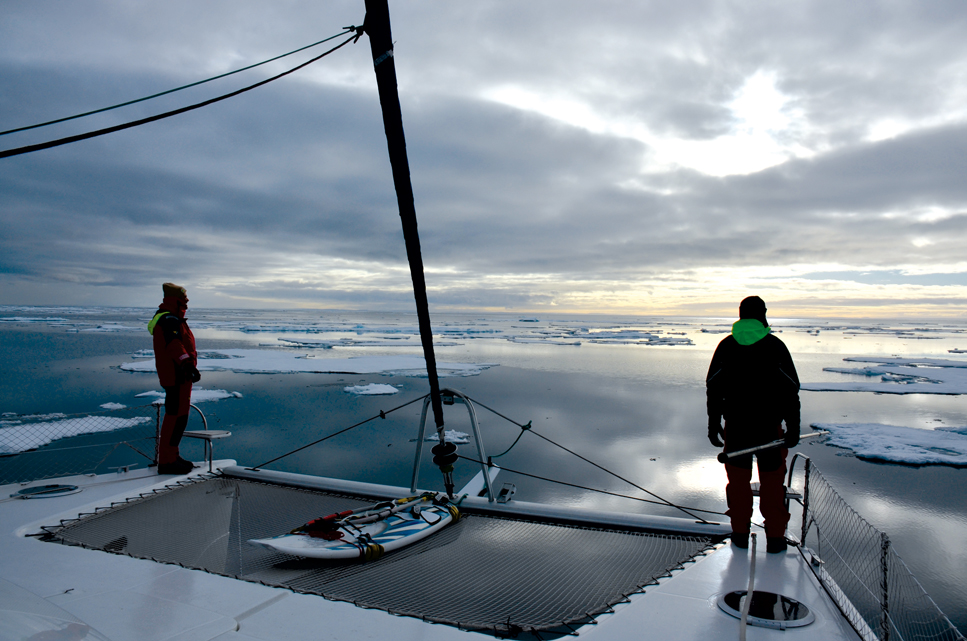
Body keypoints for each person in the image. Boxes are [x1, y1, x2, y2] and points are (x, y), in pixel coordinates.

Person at [706, 296, 800, 553]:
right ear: (763, 314)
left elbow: (713, 388)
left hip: (736, 429)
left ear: (740, 314)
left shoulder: (726, 346)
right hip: (769, 430)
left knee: (738, 485)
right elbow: (791, 390)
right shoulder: (775, 346)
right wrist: (793, 428)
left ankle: (739, 536)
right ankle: (776, 540)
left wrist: (713, 423)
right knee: (772, 485)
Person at [148, 282, 201, 474]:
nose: (187, 301)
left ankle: (172, 456)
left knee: (179, 416)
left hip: (178, 375)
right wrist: (186, 364)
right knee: (176, 417)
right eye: (184, 298)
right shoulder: (169, 320)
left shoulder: (172, 318)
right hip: (177, 375)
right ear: (176, 299)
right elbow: (174, 345)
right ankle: (167, 461)